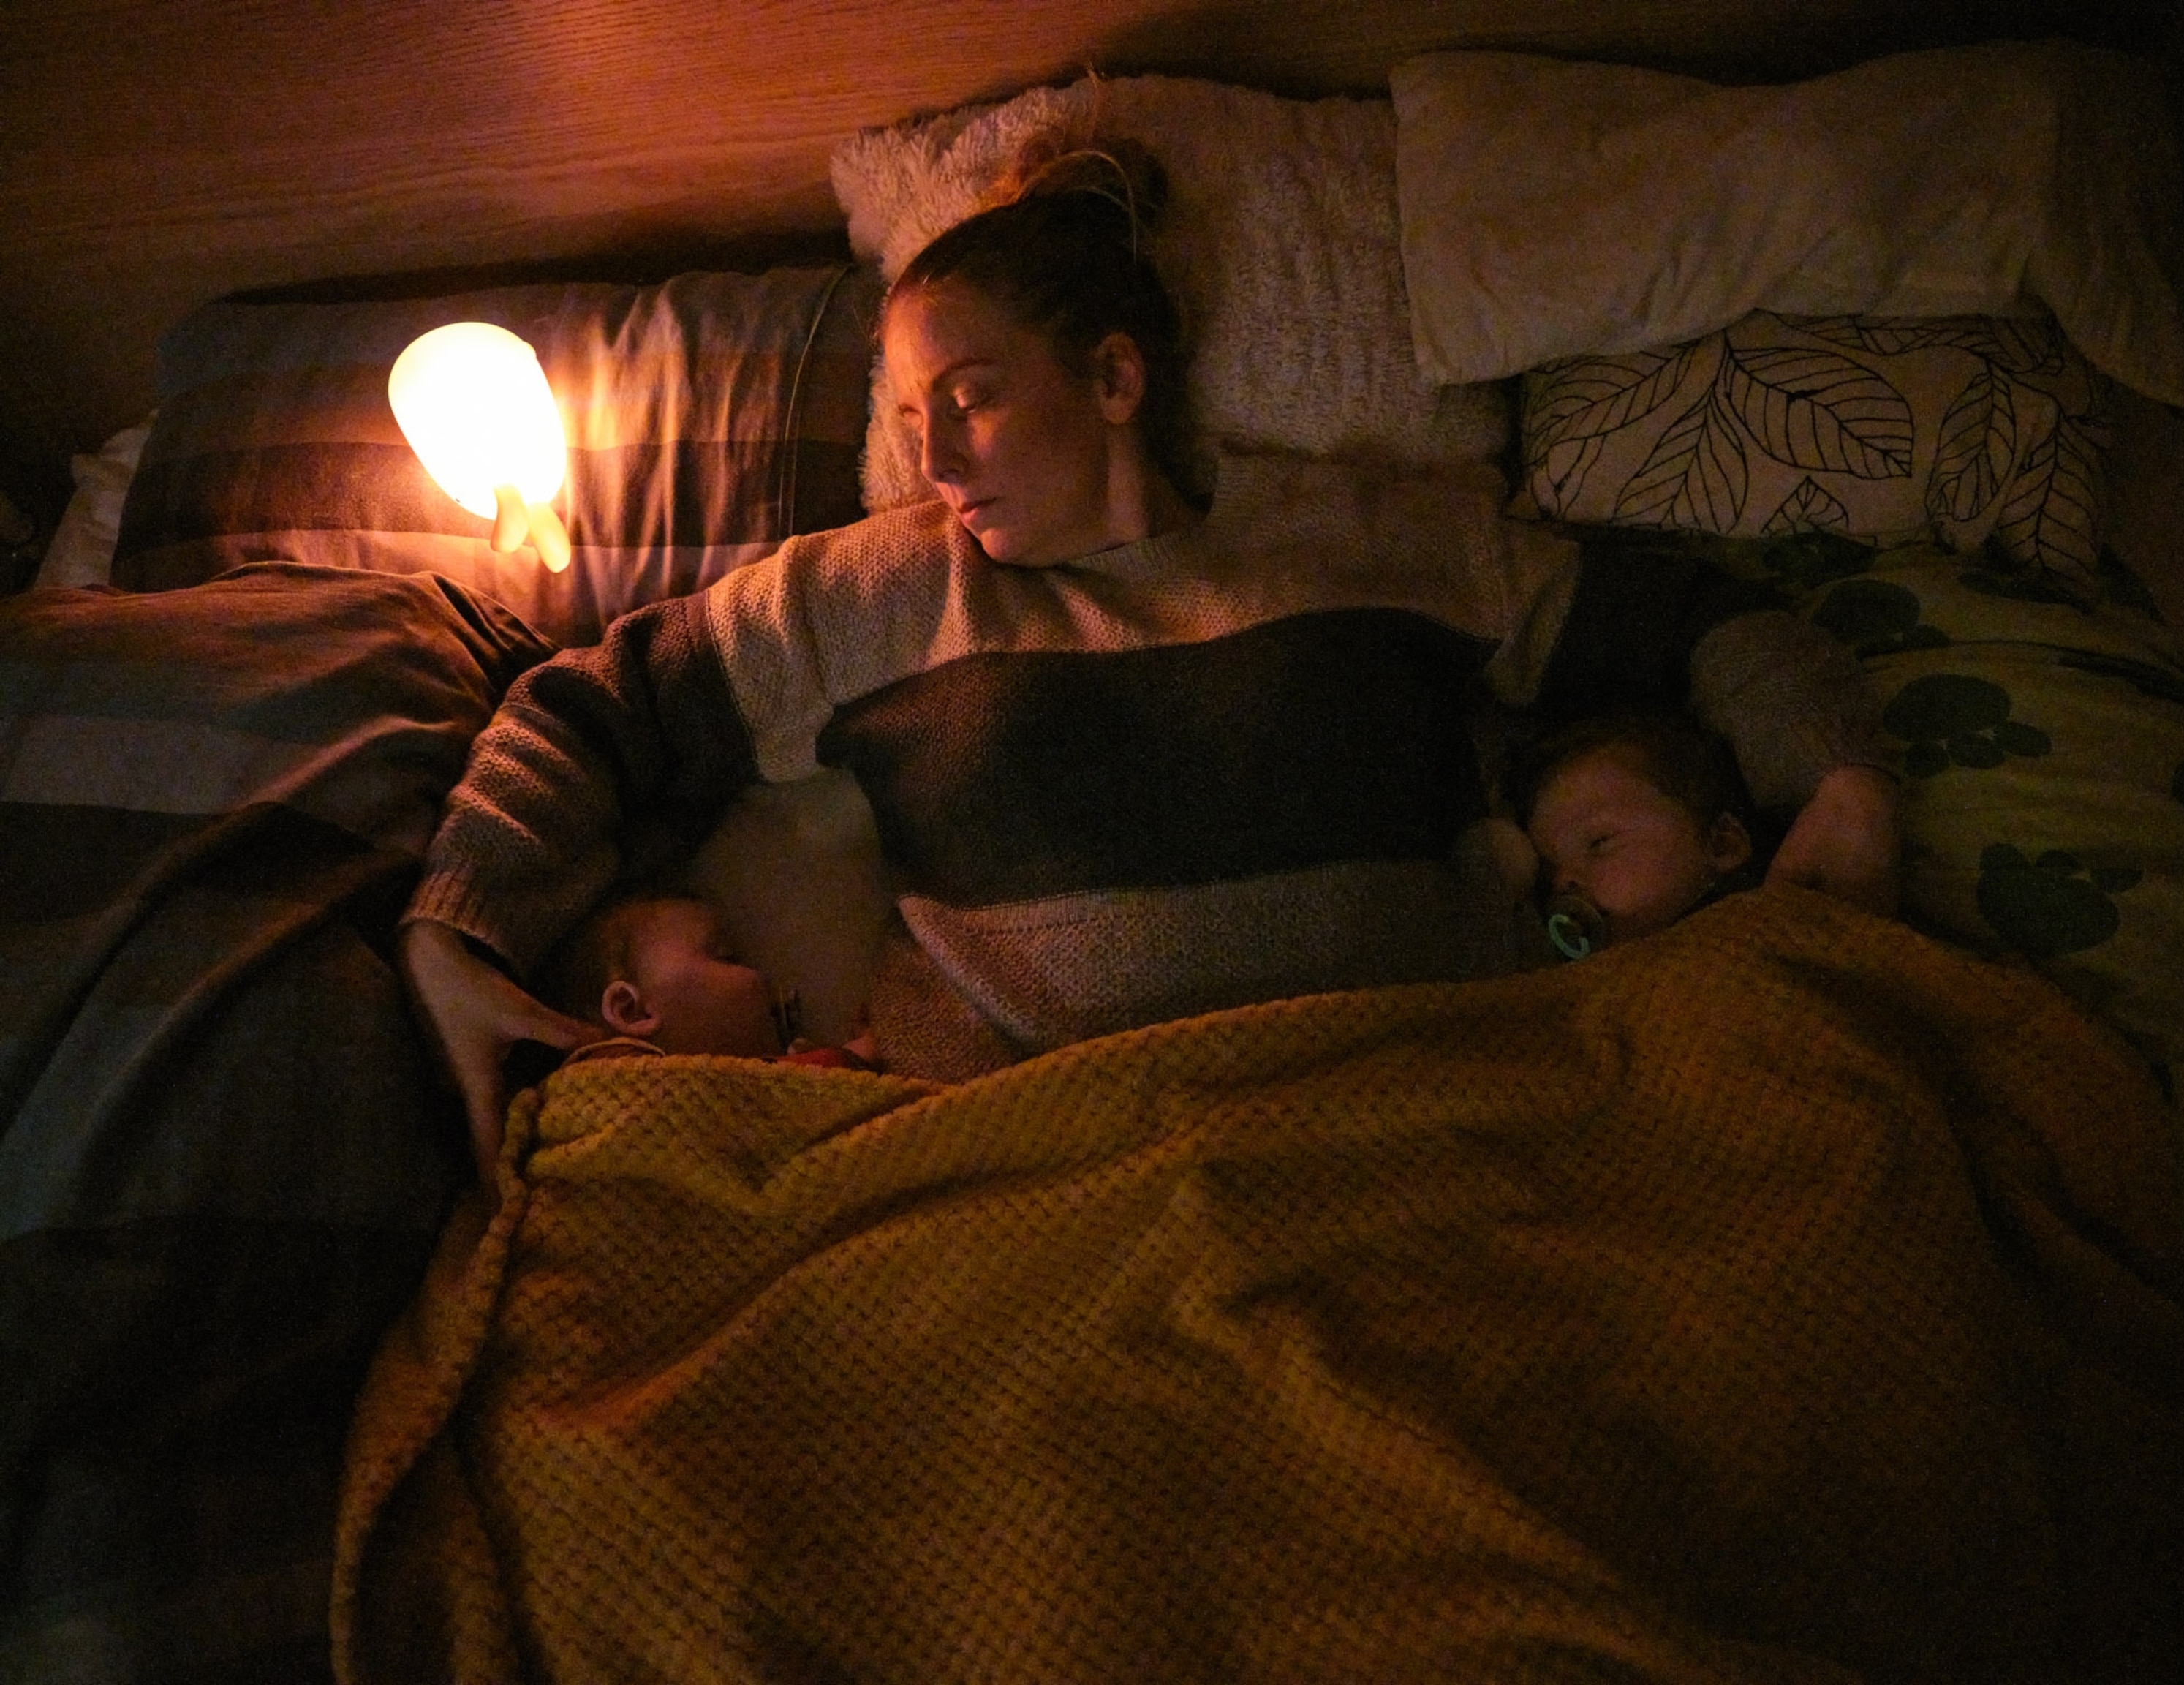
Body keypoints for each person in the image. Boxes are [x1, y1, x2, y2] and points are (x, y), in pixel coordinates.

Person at [401, 135, 1903, 1182]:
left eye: (972, 399)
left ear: (1114, 378)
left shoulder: (1376, 536)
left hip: (1436, 1125)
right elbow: (585, 710)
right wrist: (456, 931)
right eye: (911, 415)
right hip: (1044, 1173)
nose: (933, 458)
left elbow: (1703, 617)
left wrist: (1834, 776)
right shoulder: (874, 594)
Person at [1516, 709, 1882, 956]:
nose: (1563, 882)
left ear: (1722, 844)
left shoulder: (1768, 921)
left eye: (1599, 843)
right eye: (1549, 873)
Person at [535, 891, 880, 1068]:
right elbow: (787, 1086)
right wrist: (858, 1053)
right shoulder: (627, 1082)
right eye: (726, 957)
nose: (760, 977)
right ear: (632, 1011)